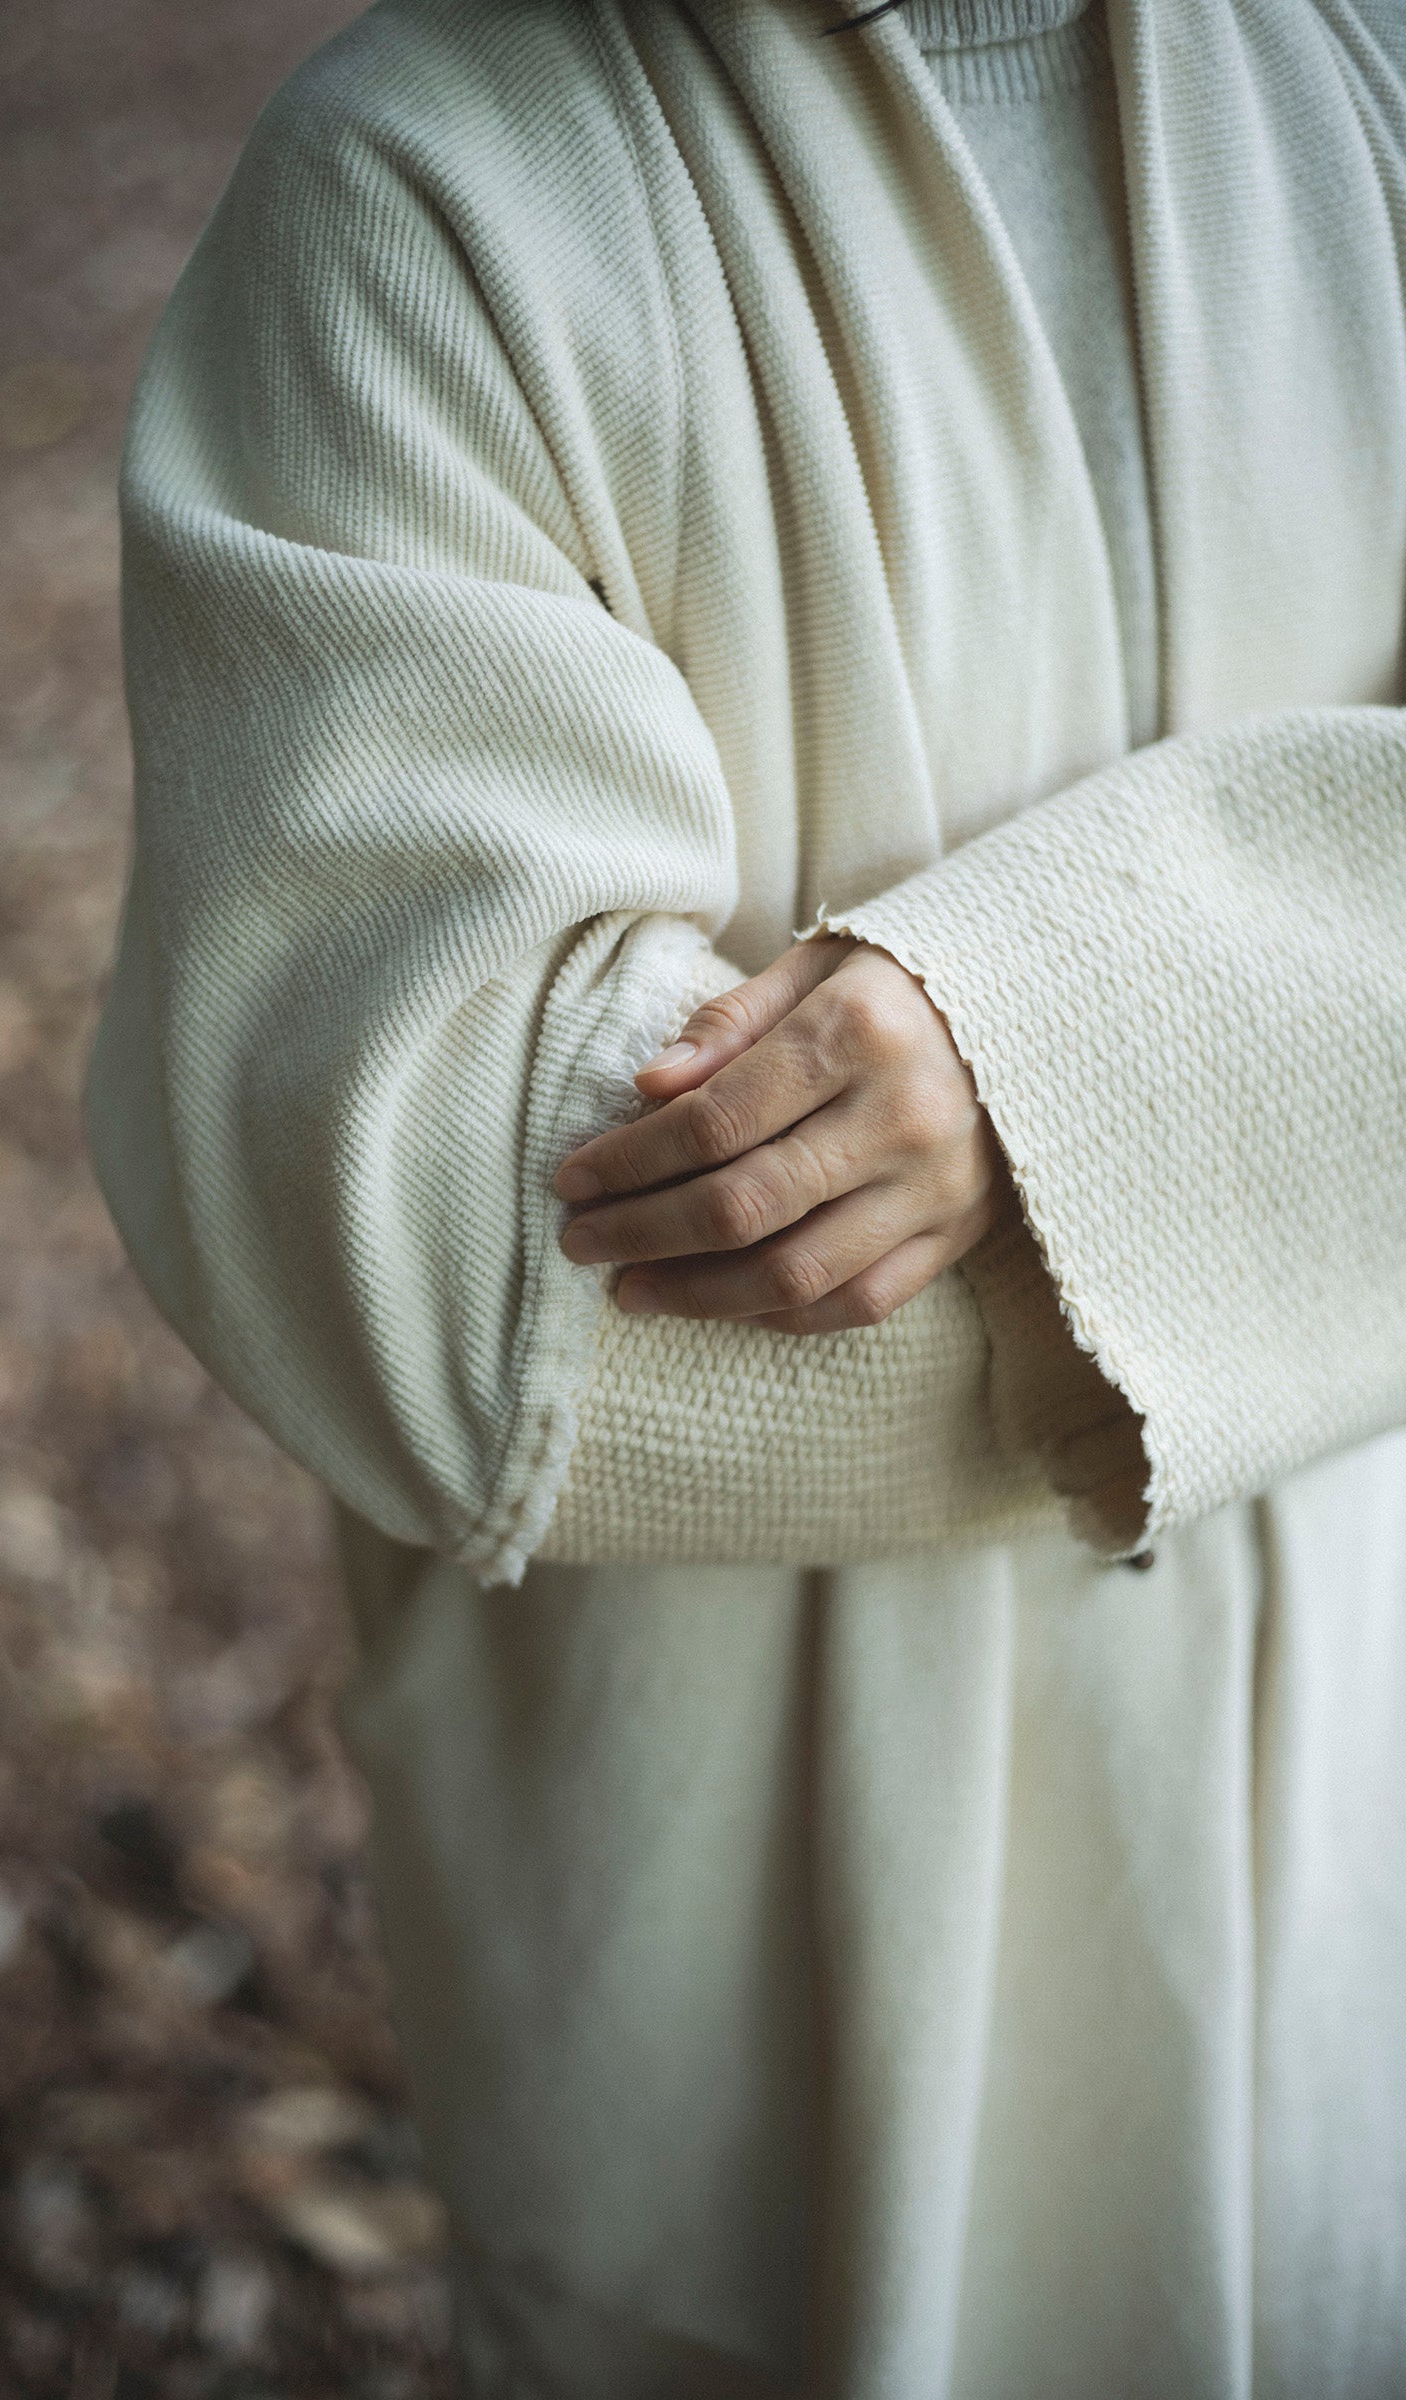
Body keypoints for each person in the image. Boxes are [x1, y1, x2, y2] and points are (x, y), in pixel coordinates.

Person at [87, 0, 1406, 2390]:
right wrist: (1296, 1181)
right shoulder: (420, 200)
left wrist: (1067, 1045)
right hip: (731, 1864)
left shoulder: (1363, 74)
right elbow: (469, 1265)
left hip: (1352, 1783)